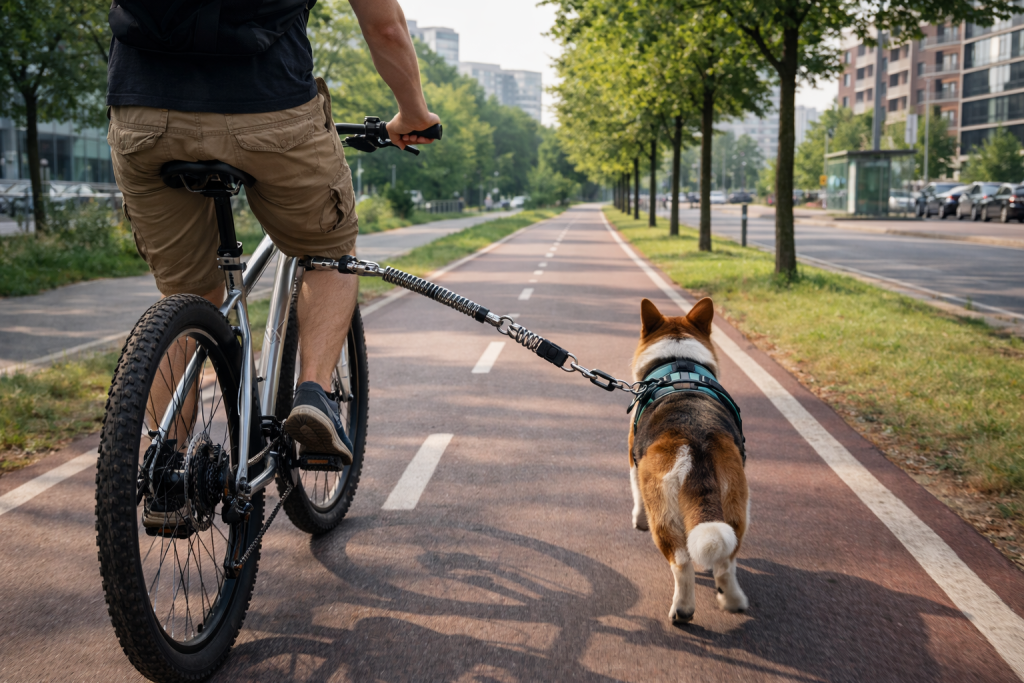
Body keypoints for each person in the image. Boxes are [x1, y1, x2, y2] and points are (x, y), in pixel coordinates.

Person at [106, 0, 439, 467]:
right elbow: (385, 28)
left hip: (142, 113)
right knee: (327, 252)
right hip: (270, 110)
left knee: (186, 292)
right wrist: (412, 113)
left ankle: (164, 466)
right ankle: (314, 395)